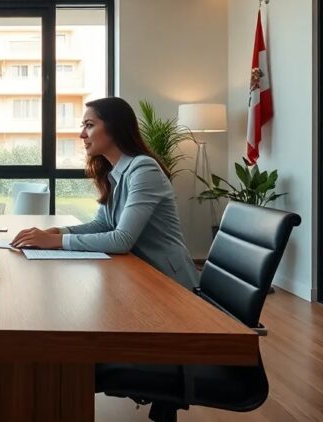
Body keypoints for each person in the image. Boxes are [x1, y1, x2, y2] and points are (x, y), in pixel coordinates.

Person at [11, 96, 198, 290]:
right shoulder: (112, 173)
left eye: (89, 125)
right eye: (83, 126)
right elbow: (102, 224)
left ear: (115, 128)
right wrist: (57, 232)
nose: (82, 134)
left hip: (169, 282)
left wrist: (55, 241)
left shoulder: (144, 169)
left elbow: (121, 240)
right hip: (136, 275)